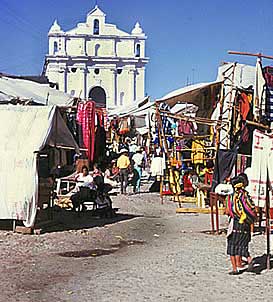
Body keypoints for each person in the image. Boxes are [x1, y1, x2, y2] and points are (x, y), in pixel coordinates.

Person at [226, 173, 256, 275]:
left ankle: (235, 269)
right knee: (242, 245)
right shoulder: (246, 196)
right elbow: (251, 209)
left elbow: (228, 211)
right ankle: (248, 259)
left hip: (235, 223)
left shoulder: (231, 197)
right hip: (245, 224)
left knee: (232, 246)